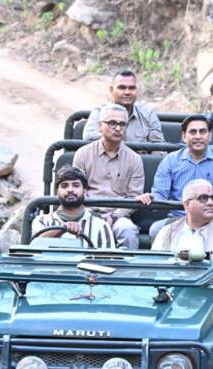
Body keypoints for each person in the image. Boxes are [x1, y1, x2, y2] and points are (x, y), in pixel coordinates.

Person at [139, 114, 213, 238]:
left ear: (210, 136)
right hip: (179, 219)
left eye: (202, 132)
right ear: (184, 136)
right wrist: (151, 198)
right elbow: (160, 194)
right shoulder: (170, 161)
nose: (198, 136)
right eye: (193, 132)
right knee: (156, 230)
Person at [73, 104, 144, 249]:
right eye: (112, 123)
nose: (118, 128)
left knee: (128, 231)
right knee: (81, 229)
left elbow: (134, 196)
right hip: (88, 212)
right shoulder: (83, 154)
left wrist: (114, 216)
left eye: (122, 124)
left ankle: (128, 265)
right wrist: (92, 214)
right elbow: (77, 190)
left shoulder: (134, 159)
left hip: (119, 215)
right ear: (100, 126)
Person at [152, 179, 213, 265]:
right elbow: (155, 265)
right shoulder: (167, 232)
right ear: (187, 204)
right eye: (203, 198)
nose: (210, 202)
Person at [31, 166, 116, 248]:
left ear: (85, 191)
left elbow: (108, 257)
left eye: (76, 185)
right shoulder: (42, 221)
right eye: (64, 186)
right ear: (57, 191)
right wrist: (62, 229)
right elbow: (36, 246)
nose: (70, 190)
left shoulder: (101, 226)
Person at [83, 70, 165, 143]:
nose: (127, 92)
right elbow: (89, 137)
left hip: (140, 156)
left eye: (132, 88)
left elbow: (158, 147)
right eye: (122, 88)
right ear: (111, 90)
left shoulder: (148, 114)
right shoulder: (100, 113)